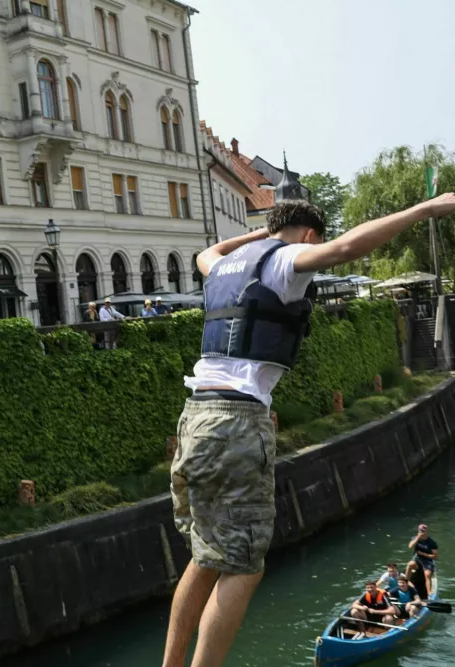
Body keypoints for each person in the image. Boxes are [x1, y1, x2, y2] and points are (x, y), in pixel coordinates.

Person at [163, 192, 455, 667]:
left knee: (206, 554)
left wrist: (262, 234)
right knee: (243, 567)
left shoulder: (221, 264)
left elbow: (207, 251)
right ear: (309, 234)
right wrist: (425, 210)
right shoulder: (286, 262)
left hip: (193, 416)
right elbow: (344, 250)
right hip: (236, 422)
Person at [405, 523, 438, 597]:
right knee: (410, 564)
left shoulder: (432, 542)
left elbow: (435, 556)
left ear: (427, 531)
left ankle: (429, 593)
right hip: (418, 559)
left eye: (424, 531)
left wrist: (423, 554)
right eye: (421, 531)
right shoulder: (415, 538)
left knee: (427, 574)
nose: (422, 533)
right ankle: (406, 582)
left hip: (428, 560)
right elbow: (410, 546)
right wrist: (417, 538)